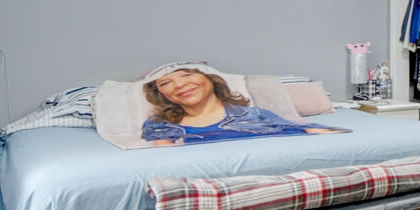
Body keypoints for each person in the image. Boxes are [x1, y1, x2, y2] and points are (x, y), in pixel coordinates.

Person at [139, 65, 343, 146]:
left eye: (187, 75)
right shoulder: (162, 124)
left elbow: (303, 130)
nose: (180, 84)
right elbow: (162, 162)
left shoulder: (255, 115)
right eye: (165, 83)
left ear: (210, 79)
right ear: (161, 94)